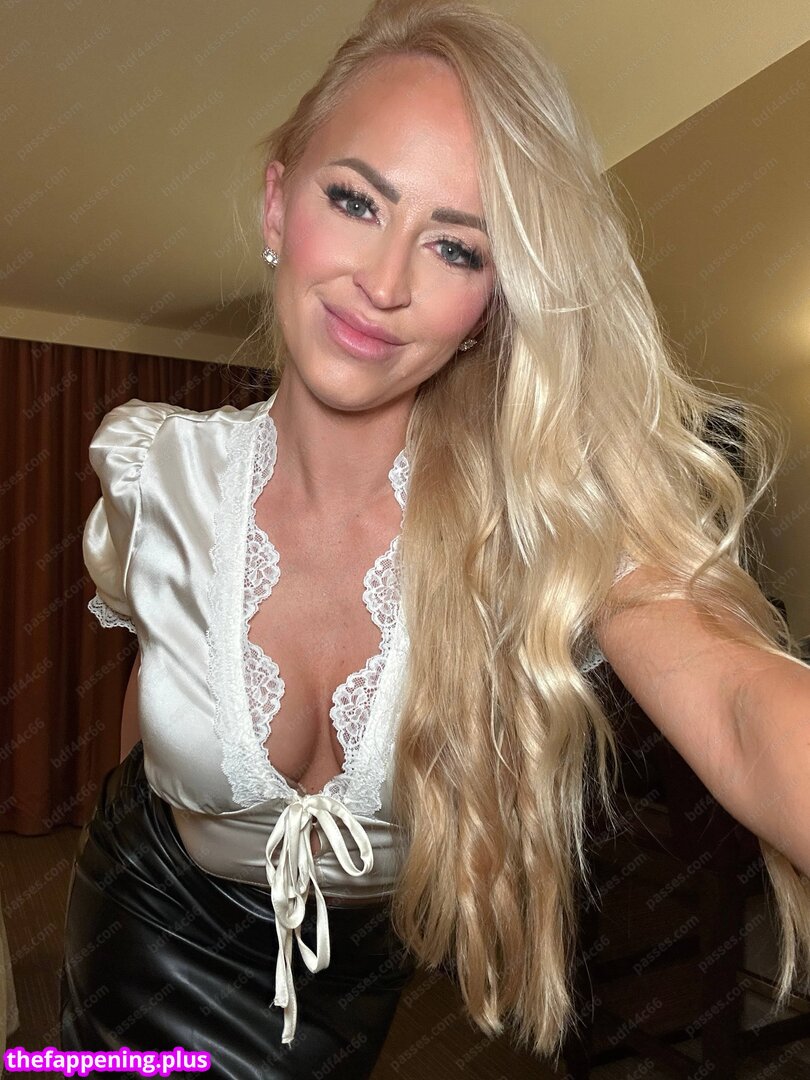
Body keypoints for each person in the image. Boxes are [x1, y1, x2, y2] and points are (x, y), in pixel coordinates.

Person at [60, 0, 810, 1075]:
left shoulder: (538, 523)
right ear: (277, 203)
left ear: (494, 301)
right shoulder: (154, 472)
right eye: (355, 200)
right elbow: (146, 714)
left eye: (456, 246)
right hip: (134, 934)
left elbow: (740, 707)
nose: (385, 282)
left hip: (342, 1007)